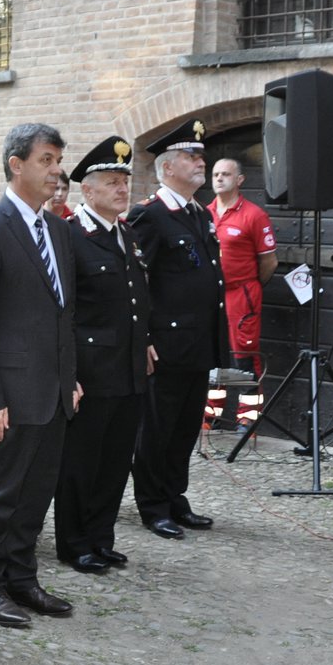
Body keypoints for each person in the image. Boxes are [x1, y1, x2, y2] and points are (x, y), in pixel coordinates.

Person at [0, 124, 79, 630]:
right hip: (10, 391)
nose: (57, 170)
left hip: (52, 391)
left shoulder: (56, 228)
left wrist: (68, 377)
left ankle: (22, 577)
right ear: (16, 164)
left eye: (58, 160)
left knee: (36, 492)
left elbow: (63, 314)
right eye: (47, 159)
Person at [54, 137, 156, 572]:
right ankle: (74, 542)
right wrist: (69, 372)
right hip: (92, 371)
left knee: (115, 460)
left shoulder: (127, 233)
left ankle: (101, 537)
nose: (122, 189)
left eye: (124, 181)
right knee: (82, 462)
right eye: (112, 182)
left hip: (128, 367)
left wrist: (145, 340)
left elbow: (134, 298)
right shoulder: (71, 235)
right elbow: (65, 311)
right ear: (88, 190)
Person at [127, 126, 225, 541]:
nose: (200, 161)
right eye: (190, 156)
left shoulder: (199, 213)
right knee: (158, 428)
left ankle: (174, 495)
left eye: (200, 155)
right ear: (168, 167)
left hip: (197, 342)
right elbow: (136, 282)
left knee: (186, 427)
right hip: (165, 345)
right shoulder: (149, 215)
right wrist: (143, 339)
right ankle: (152, 504)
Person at [204, 156, 277, 433]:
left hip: (241, 295)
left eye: (225, 174)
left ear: (239, 180)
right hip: (212, 296)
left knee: (244, 357)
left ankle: (247, 420)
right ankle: (210, 416)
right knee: (213, 358)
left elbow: (269, 262)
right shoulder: (204, 213)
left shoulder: (254, 215)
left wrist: (250, 287)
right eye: (215, 174)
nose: (219, 178)